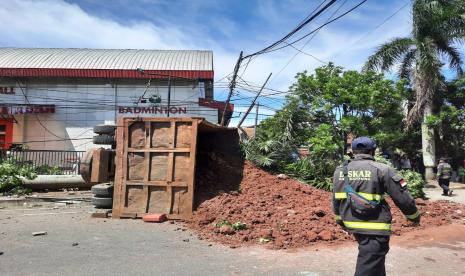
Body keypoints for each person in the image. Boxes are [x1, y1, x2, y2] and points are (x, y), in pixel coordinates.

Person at [332, 137, 420, 276]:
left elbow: (336, 198)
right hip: (374, 226)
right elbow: (402, 198)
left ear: (353, 151)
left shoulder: (340, 171)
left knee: (375, 262)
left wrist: (340, 220)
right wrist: (414, 216)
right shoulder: (382, 169)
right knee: (369, 265)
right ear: (373, 151)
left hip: (352, 222)